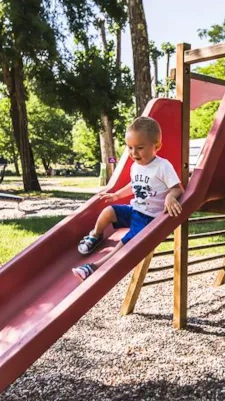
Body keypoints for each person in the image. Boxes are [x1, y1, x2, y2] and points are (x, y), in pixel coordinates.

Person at [73, 116, 182, 281]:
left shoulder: (162, 166)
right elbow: (134, 185)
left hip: (149, 218)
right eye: (130, 147)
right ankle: (95, 235)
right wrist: (117, 195)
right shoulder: (136, 166)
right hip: (135, 210)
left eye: (139, 147)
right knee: (108, 211)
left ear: (156, 146)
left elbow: (177, 188)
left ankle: (95, 267)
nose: (133, 153)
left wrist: (170, 197)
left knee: (126, 241)